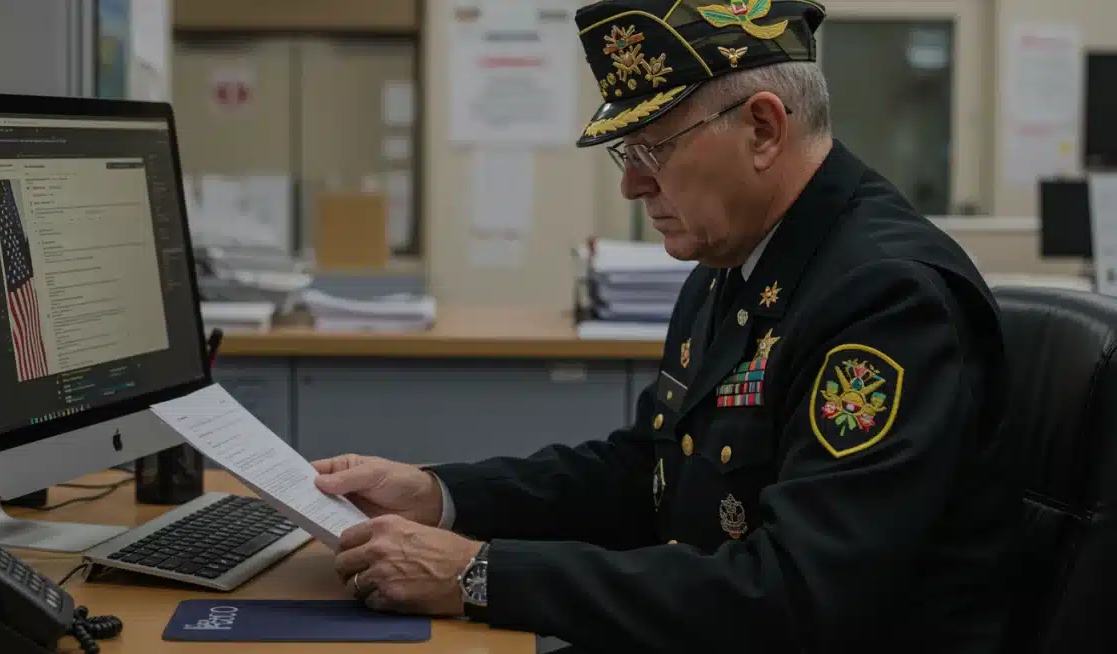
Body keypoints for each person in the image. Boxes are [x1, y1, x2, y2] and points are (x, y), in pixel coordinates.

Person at [311, 0, 1021, 651]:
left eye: (654, 148)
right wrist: (441, 495)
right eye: (630, 154)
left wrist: (481, 575)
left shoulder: (887, 300)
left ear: (764, 130)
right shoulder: (736, 265)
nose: (633, 184)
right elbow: (650, 470)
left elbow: (796, 594)